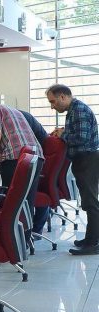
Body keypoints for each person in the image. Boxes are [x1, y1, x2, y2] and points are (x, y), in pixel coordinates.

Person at [46, 84, 99, 255]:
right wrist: (64, 131)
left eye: (53, 101)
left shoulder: (79, 110)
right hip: (84, 159)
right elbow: (79, 133)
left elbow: (82, 138)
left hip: (87, 159)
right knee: (88, 201)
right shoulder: (74, 110)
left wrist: (63, 135)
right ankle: (91, 238)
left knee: (91, 202)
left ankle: (93, 243)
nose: (52, 106)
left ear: (62, 96)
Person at [0, 101, 43, 187]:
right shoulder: (14, 112)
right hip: (36, 158)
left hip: (17, 160)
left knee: (9, 193)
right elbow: (15, 145)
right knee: (26, 195)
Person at [18, 110, 50, 236]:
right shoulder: (19, 115)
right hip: (41, 155)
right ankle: (36, 228)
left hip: (39, 156)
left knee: (31, 191)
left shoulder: (19, 120)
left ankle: (35, 229)